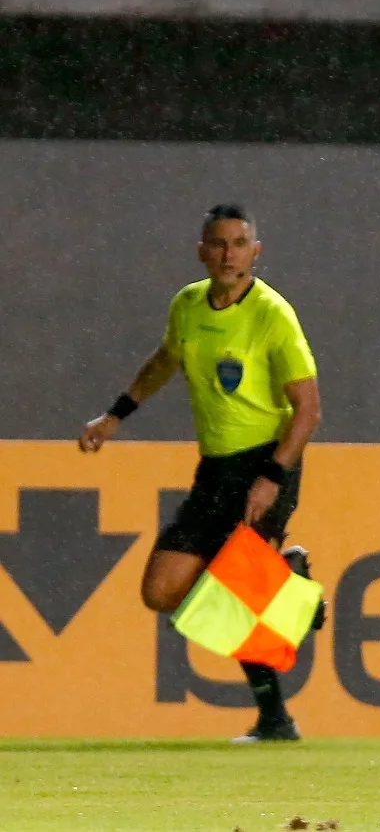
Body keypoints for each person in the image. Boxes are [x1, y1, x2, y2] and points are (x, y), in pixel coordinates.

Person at [79, 203, 323, 743]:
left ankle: (274, 715)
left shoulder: (272, 315)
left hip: (264, 462)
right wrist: (117, 414)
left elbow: (307, 409)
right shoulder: (188, 305)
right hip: (215, 469)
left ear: (255, 253)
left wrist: (274, 476)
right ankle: (285, 580)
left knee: (233, 594)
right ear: (202, 251)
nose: (228, 254)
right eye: (218, 243)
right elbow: (166, 360)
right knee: (162, 591)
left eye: (239, 244)